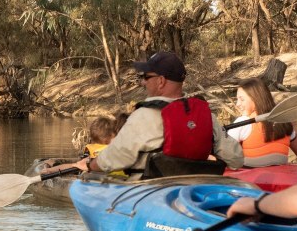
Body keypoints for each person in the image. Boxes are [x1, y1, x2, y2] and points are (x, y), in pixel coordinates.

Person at [64, 51, 244, 178]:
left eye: (145, 77)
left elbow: (115, 158)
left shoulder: (144, 116)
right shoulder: (207, 117)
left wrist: (89, 165)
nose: (142, 82)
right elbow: (236, 159)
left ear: (161, 81)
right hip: (194, 191)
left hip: (149, 193)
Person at [227, 77, 297, 167]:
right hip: (279, 177)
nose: (237, 104)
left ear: (256, 99)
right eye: (237, 99)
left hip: (251, 178)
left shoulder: (242, 123)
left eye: (242, 99)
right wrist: (294, 128)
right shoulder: (284, 123)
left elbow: (224, 156)